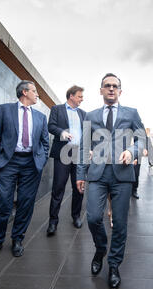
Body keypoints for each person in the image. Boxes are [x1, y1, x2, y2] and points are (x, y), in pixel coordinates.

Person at [76, 73, 145, 289]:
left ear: (120, 91)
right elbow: (83, 146)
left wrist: (131, 150)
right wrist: (80, 173)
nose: (111, 89)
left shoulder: (131, 113)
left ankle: (114, 265)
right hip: (97, 173)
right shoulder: (90, 115)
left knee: (121, 224)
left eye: (115, 86)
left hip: (123, 175)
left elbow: (142, 138)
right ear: (101, 90)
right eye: (107, 86)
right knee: (94, 218)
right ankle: (100, 249)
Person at [0, 80, 49, 259]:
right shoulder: (4, 110)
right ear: (24, 92)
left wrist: (41, 160)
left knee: (25, 203)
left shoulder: (40, 117)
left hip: (31, 164)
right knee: (3, 201)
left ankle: (17, 239)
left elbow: (45, 143)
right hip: (8, 162)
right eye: (35, 91)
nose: (38, 95)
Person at [46, 86, 86, 236]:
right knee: (58, 187)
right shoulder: (57, 109)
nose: (82, 99)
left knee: (79, 188)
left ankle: (76, 216)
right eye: (80, 96)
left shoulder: (84, 113)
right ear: (71, 96)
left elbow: (88, 132)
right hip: (63, 153)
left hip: (79, 155)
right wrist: (62, 132)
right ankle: (53, 221)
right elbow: (51, 126)